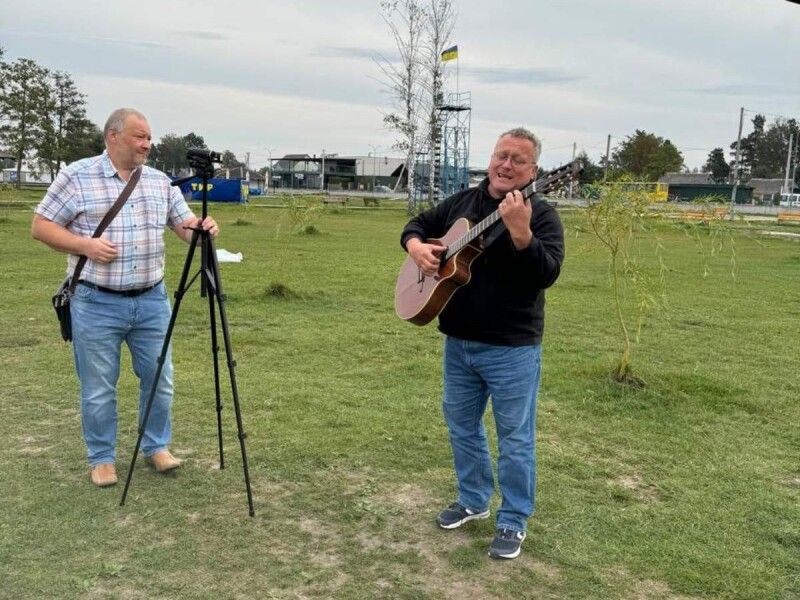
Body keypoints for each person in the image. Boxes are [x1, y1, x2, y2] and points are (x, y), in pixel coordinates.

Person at [32, 107, 219, 487]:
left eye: (149, 137)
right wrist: (84, 245)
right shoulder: (76, 176)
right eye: (139, 137)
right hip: (96, 301)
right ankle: (101, 458)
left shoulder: (158, 182)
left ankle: (156, 447)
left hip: (152, 300)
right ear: (113, 137)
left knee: (159, 378)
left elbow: (182, 226)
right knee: (99, 385)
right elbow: (40, 226)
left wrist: (201, 228)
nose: (147, 144)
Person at [400, 127, 564, 559]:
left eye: (518, 160)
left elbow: (546, 273)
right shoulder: (463, 202)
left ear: (534, 172)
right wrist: (417, 248)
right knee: (461, 426)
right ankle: (473, 499)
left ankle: (513, 520)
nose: (506, 165)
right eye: (501, 155)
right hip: (459, 343)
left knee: (515, 438)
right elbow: (416, 225)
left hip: (513, 348)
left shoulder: (541, 214)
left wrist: (522, 235)